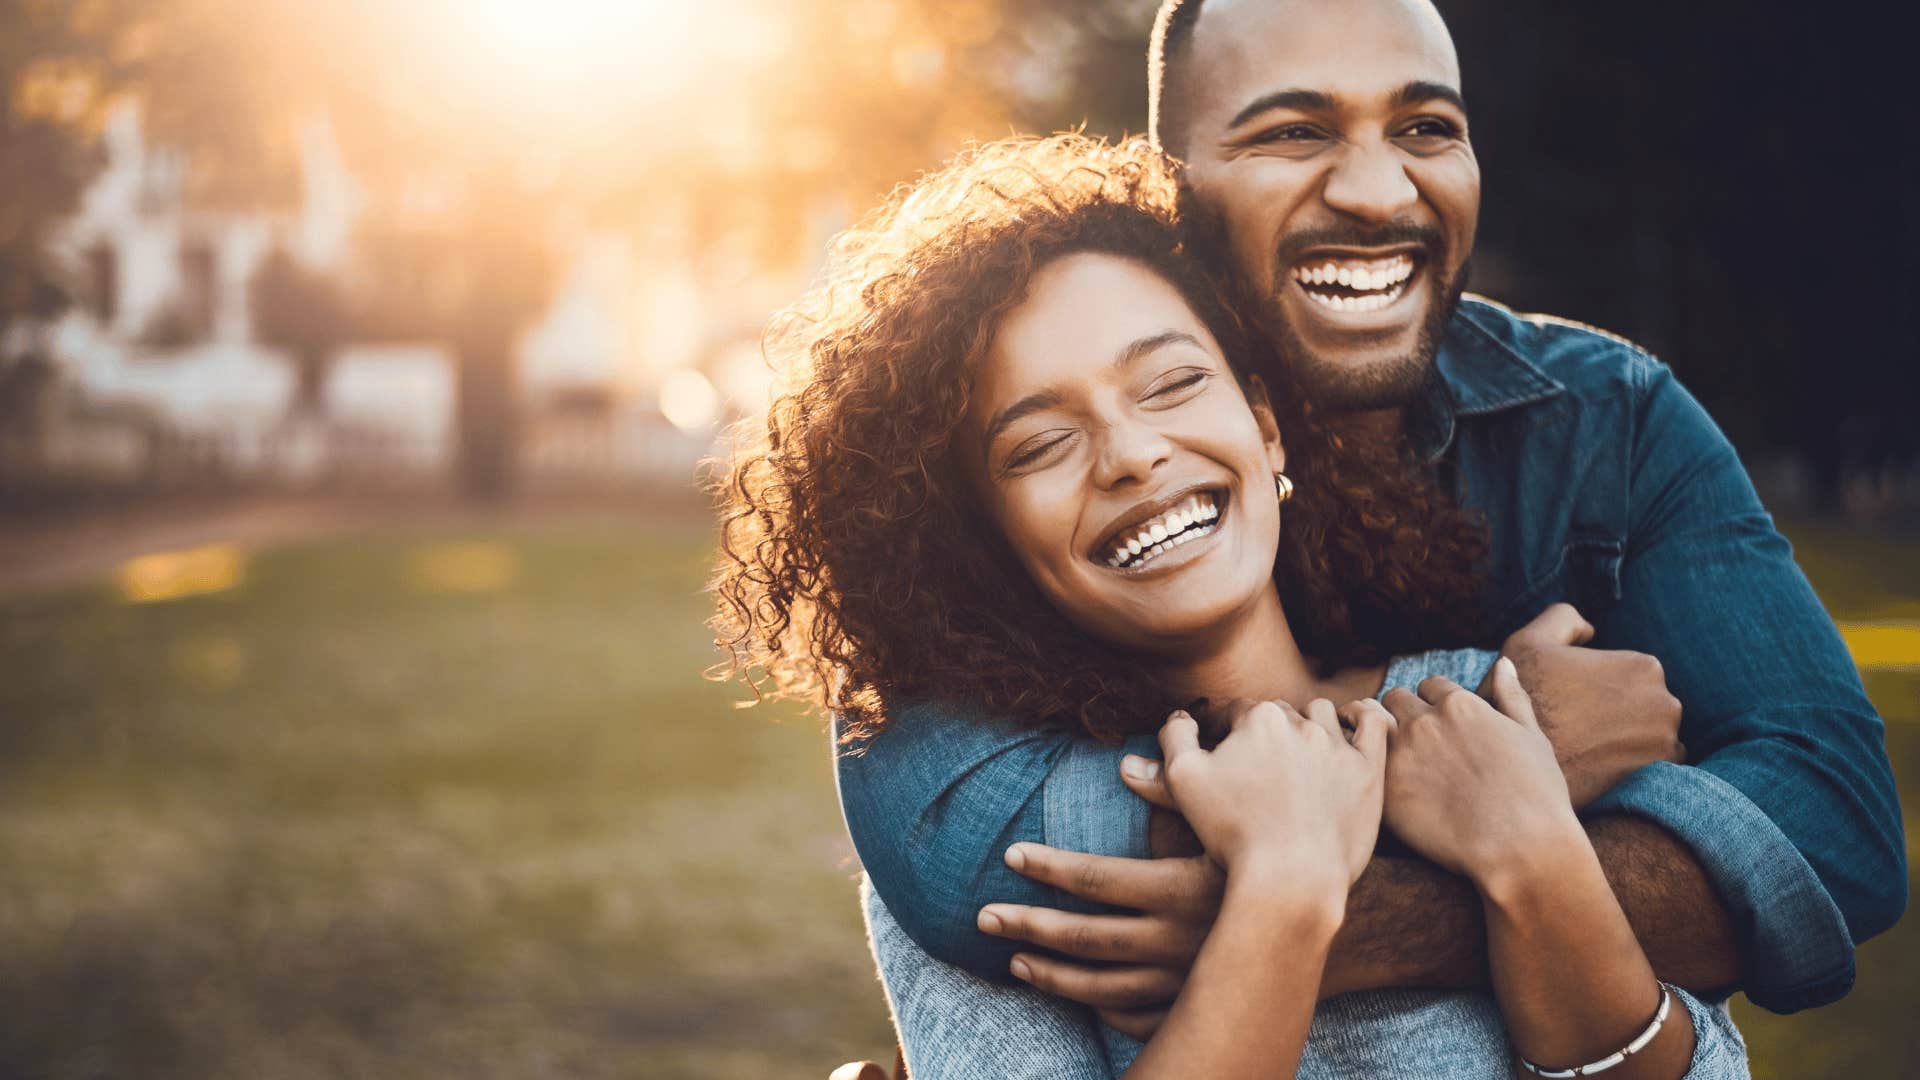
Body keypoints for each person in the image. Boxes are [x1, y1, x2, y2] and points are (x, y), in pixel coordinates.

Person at [833, 0, 1901, 1044]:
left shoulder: (1605, 420)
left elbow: (1832, 832)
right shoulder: (976, 477)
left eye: (1426, 128)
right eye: (1294, 131)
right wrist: (1518, 746)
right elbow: (966, 850)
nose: (1379, 189)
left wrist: (1375, 917)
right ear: (1172, 190)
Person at [715, 133, 1747, 1076]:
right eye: (1039, 444)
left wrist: (1529, 853)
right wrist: (1286, 894)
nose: (1130, 454)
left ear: (1267, 430)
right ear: (985, 544)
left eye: (1169, 385)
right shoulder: (1014, 876)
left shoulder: (1500, 719)